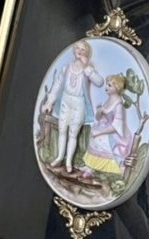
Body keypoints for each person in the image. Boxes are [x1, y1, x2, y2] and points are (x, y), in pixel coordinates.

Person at [42, 40, 104, 173]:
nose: (79, 51)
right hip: (65, 101)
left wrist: (87, 68)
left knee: (73, 133)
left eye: (83, 49)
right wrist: (49, 102)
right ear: (74, 50)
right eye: (78, 48)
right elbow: (57, 86)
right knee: (62, 129)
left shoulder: (86, 70)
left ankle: (69, 161)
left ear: (87, 53)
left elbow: (99, 82)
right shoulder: (66, 68)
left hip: (78, 103)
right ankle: (59, 157)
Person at [79, 73, 133, 178]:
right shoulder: (109, 100)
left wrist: (98, 132)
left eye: (109, 85)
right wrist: (99, 111)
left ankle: (100, 168)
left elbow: (115, 126)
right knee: (93, 137)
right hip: (104, 126)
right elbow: (99, 118)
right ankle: (89, 166)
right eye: (107, 84)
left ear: (117, 88)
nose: (106, 87)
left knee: (100, 139)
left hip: (114, 133)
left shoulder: (118, 105)